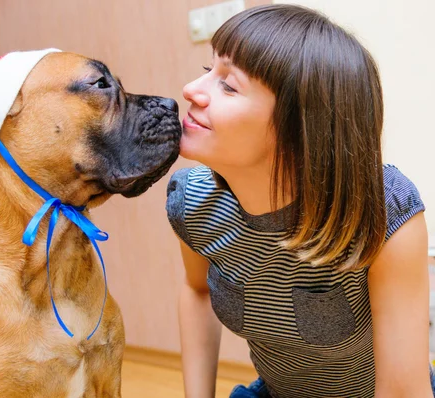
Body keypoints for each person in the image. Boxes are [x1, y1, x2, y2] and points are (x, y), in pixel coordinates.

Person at [165, 4, 432, 398]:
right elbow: (197, 289)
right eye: (209, 71)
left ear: (302, 128)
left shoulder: (385, 211)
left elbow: (402, 391)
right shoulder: (194, 202)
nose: (191, 90)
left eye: (229, 85)